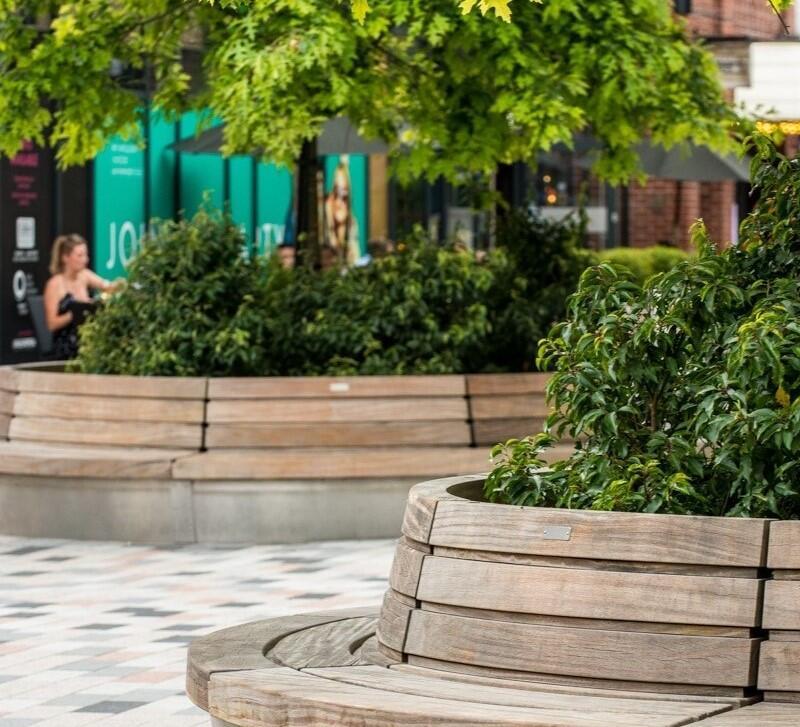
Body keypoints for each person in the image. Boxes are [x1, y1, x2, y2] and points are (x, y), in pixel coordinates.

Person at [43, 234, 116, 360]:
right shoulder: (54, 284)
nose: (85, 260)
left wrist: (123, 284)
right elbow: (52, 324)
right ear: (65, 258)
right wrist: (77, 313)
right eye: (80, 255)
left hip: (89, 340)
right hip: (67, 345)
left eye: (86, 255)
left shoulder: (85, 275)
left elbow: (107, 286)